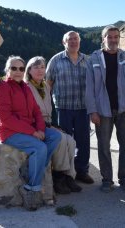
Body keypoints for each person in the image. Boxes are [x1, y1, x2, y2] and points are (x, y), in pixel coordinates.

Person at [0, 56, 62, 211]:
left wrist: (39, 129)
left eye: (21, 68)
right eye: (14, 68)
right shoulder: (2, 87)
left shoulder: (25, 87)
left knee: (56, 136)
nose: (18, 71)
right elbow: (6, 119)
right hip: (10, 132)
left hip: (29, 128)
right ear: (7, 70)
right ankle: (31, 189)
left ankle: (33, 169)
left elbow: (36, 111)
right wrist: (33, 132)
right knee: (40, 148)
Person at [85, 25, 125, 193]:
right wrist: (93, 111)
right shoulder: (93, 59)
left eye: (116, 37)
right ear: (103, 39)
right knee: (103, 146)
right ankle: (107, 179)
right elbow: (89, 87)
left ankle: (124, 179)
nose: (113, 40)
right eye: (110, 37)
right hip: (102, 110)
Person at [24, 56, 82, 194]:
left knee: (71, 141)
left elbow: (51, 109)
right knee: (61, 141)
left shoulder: (45, 86)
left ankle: (69, 176)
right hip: (36, 124)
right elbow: (28, 113)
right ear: (29, 70)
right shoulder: (26, 87)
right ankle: (58, 178)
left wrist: (53, 124)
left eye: (42, 67)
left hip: (48, 123)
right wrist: (45, 125)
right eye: (36, 67)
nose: (40, 70)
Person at [46, 31, 94, 185]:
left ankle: (82, 171)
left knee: (83, 141)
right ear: (64, 42)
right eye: (70, 39)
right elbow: (48, 84)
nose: (73, 41)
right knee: (65, 142)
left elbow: (94, 85)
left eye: (76, 39)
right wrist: (47, 107)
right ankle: (66, 174)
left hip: (83, 107)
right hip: (63, 107)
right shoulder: (55, 60)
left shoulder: (88, 60)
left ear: (79, 41)